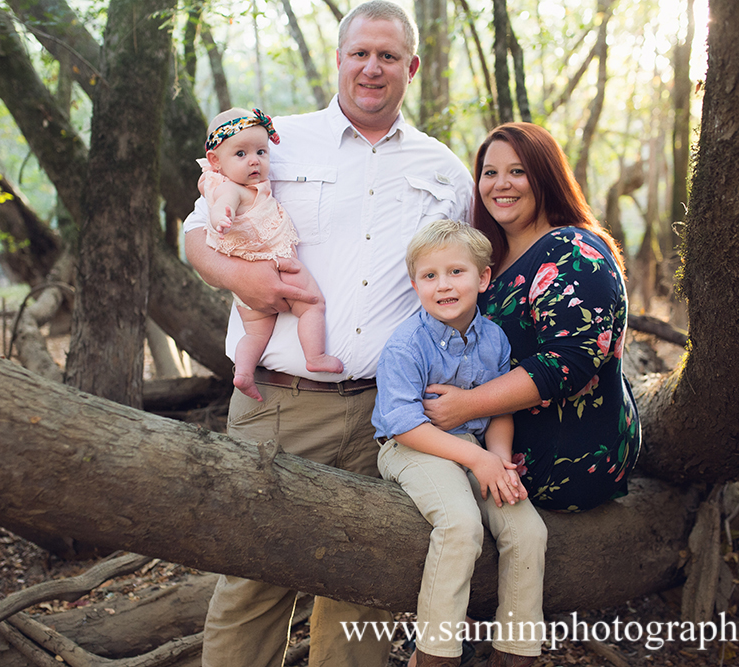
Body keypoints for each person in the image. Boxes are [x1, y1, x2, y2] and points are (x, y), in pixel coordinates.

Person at [183, 2, 474, 665]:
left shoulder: (444, 171)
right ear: (339, 59)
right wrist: (242, 279)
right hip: (281, 402)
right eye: (360, 53)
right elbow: (193, 231)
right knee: (254, 577)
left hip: (389, 414)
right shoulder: (274, 140)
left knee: (362, 583)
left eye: (389, 56)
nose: (372, 68)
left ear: (412, 67)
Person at [423, 122, 641, 514]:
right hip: (492, 454)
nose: (500, 184)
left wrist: (469, 406)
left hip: (565, 465)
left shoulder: (570, 249)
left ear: (546, 176)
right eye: (490, 173)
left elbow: (568, 362)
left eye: (517, 171)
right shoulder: (491, 259)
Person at [373, 219, 546, 667]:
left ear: (483, 277)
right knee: (460, 525)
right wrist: (476, 458)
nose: (443, 285)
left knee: (528, 530)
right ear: (415, 285)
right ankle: (435, 654)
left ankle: (515, 652)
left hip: (475, 450)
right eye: (430, 276)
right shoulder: (406, 344)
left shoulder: (494, 338)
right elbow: (404, 424)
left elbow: (500, 410)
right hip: (412, 448)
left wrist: (500, 461)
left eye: (456, 272)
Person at [198, 106, 343, 400]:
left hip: (249, 281)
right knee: (312, 306)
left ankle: (243, 373)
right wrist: (221, 216)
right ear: (216, 161)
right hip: (276, 265)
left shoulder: (234, 183)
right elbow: (222, 203)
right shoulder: (232, 189)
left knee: (255, 334)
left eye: (261, 152)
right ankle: (315, 355)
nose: (254, 161)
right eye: (241, 154)